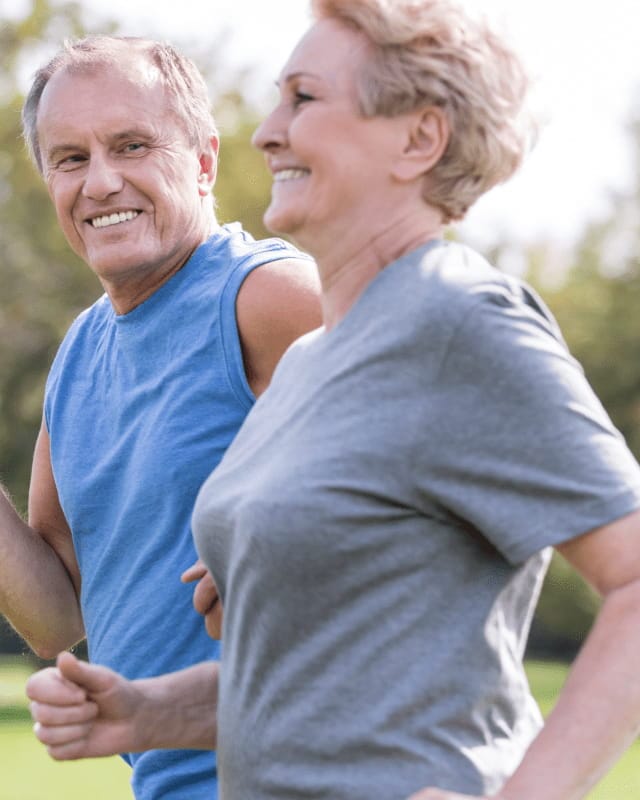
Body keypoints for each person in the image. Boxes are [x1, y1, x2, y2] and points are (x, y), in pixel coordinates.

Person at [26, 2, 640, 799]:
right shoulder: (321, 356)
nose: (266, 130)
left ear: (419, 139)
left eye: (304, 99)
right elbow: (332, 670)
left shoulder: (454, 318)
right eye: (279, 99)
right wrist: (146, 713)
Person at [1, 34, 321, 800]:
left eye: (133, 145)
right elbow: (56, 617)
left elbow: (432, 482)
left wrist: (281, 537)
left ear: (204, 160)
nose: (101, 182)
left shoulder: (269, 297)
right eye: (70, 159)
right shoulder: (79, 355)